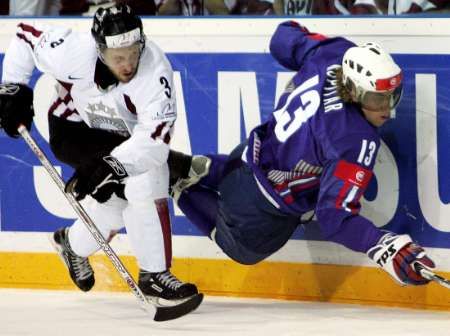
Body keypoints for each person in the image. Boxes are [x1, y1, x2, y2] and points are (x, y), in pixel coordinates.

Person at [168, 20, 437, 287]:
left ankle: (201, 167)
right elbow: (334, 218)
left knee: (275, 169)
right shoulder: (355, 139)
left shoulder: (334, 54)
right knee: (242, 250)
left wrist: (314, 51)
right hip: (260, 206)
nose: (388, 110)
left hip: (247, 154)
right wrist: (381, 244)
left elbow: (282, 37)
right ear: (353, 90)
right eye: (377, 99)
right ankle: (176, 186)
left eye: (393, 95)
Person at [0, 4, 202, 312]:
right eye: (118, 57)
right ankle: (154, 275)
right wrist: (13, 86)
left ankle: (72, 244)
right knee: (144, 180)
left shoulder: (154, 71)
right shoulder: (72, 51)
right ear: (99, 49)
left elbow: (154, 142)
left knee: (121, 198)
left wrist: (115, 165)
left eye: (134, 53)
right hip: (75, 132)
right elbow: (25, 37)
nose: (128, 64)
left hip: (125, 138)